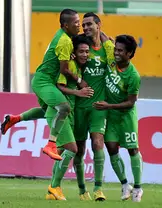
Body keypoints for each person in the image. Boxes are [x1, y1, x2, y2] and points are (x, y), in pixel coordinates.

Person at [0, 9, 86, 161]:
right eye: (76, 23)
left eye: (79, 22)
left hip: (43, 80)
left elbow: (60, 57)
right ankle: (51, 144)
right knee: (64, 108)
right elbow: (64, 69)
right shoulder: (65, 41)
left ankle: (15, 119)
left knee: (48, 111)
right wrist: (79, 82)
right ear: (66, 25)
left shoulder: (63, 37)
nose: (79, 26)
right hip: (44, 82)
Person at [93, 34, 144, 202]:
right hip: (111, 116)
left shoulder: (133, 76)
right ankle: (124, 184)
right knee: (112, 149)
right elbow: (104, 37)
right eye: (116, 49)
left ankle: (137, 188)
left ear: (129, 54)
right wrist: (97, 28)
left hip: (126, 117)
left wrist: (109, 106)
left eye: (120, 51)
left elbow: (130, 102)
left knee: (132, 150)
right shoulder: (111, 59)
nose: (116, 53)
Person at [45, 35, 93, 200]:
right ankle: (54, 187)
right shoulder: (70, 64)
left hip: (70, 112)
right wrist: (78, 92)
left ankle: (52, 190)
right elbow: (60, 86)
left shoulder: (78, 66)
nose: (85, 55)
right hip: (63, 111)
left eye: (87, 52)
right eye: (81, 51)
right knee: (72, 149)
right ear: (74, 52)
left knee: (62, 151)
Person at [72, 12, 109, 201]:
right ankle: (81, 190)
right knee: (78, 150)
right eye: (83, 25)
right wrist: (79, 82)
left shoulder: (108, 48)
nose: (85, 28)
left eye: (89, 24)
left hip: (98, 106)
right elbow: (68, 68)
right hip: (79, 106)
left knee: (97, 143)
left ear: (98, 25)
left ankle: (98, 188)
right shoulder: (80, 47)